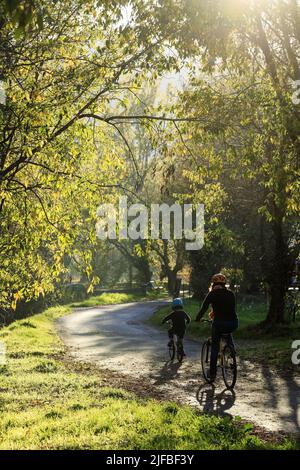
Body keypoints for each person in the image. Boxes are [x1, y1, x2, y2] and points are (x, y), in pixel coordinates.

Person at [195, 273, 238, 381]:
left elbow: (204, 308)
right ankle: (232, 353)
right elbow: (230, 308)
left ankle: (213, 373)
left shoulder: (212, 294)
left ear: (213, 284)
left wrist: (197, 318)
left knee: (214, 348)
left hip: (219, 323)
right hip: (233, 323)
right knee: (228, 331)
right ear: (224, 284)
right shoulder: (231, 294)